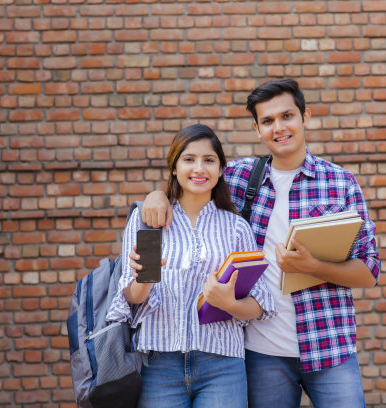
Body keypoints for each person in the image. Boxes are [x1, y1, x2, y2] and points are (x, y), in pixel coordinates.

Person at [138, 79, 380, 408]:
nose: (279, 128)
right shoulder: (237, 177)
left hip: (329, 347)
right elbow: (191, 178)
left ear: (305, 116)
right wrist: (156, 196)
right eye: (267, 121)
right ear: (257, 128)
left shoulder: (340, 183)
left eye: (287, 116)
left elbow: (369, 271)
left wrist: (312, 266)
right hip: (262, 354)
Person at [106, 123, 276, 408]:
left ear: (221, 169)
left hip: (222, 365)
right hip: (159, 365)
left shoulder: (236, 228)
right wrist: (145, 280)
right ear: (174, 167)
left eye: (209, 160)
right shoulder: (149, 221)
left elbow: (260, 304)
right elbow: (131, 299)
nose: (199, 168)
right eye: (189, 159)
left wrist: (229, 304)